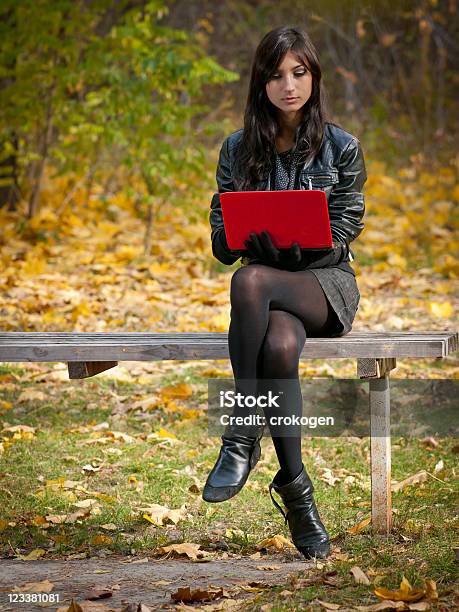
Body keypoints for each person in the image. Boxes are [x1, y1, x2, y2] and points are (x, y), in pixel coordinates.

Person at [203, 25, 367, 560]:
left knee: (250, 278)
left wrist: (298, 249)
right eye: (276, 75)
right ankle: (298, 494)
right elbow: (221, 240)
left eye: (299, 73)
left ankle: (240, 432)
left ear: (314, 77)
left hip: (324, 285)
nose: (289, 85)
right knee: (275, 346)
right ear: (261, 83)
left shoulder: (342, 147)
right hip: (267, 302)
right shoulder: (237, 148)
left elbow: (344, 228)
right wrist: (240, 234)